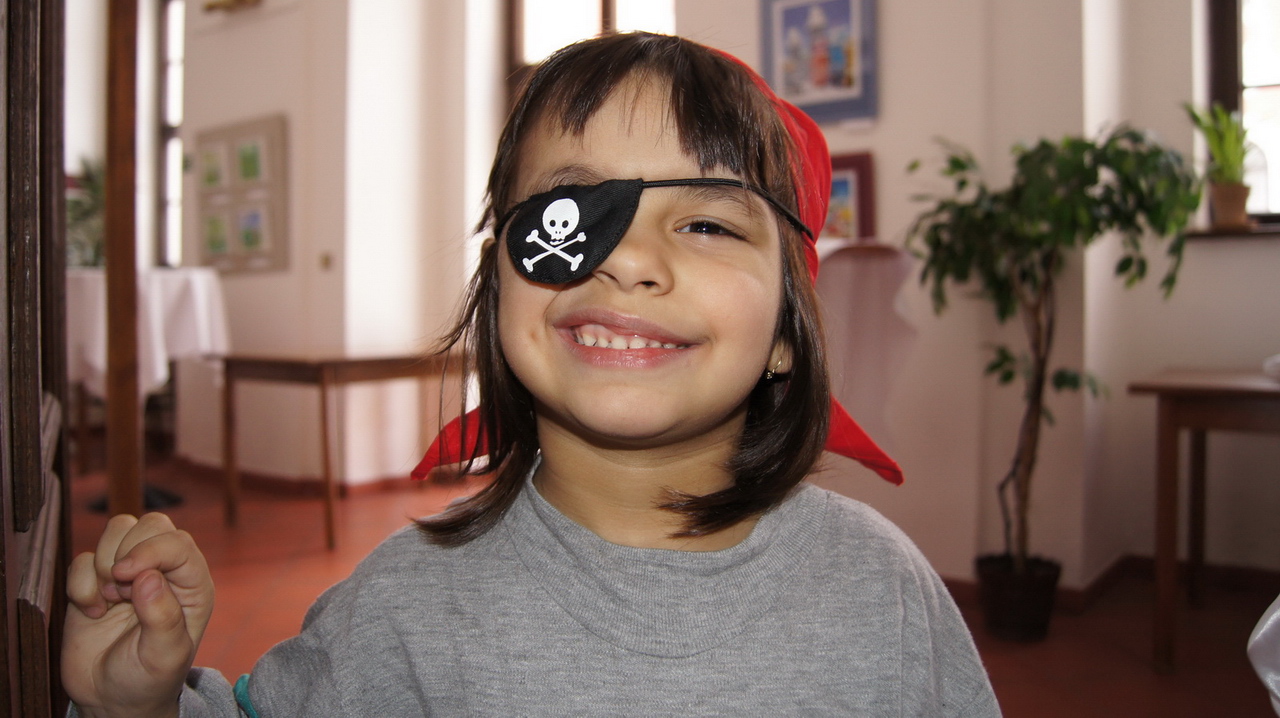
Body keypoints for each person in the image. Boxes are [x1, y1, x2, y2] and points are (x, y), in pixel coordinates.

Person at [63, 32, 1000, 717]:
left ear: (789, 330)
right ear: (499, 286)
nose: (629, 260)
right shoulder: (403, 609)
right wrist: (137, 704)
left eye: (708, 223)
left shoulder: (884, 593)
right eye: (572, 212)